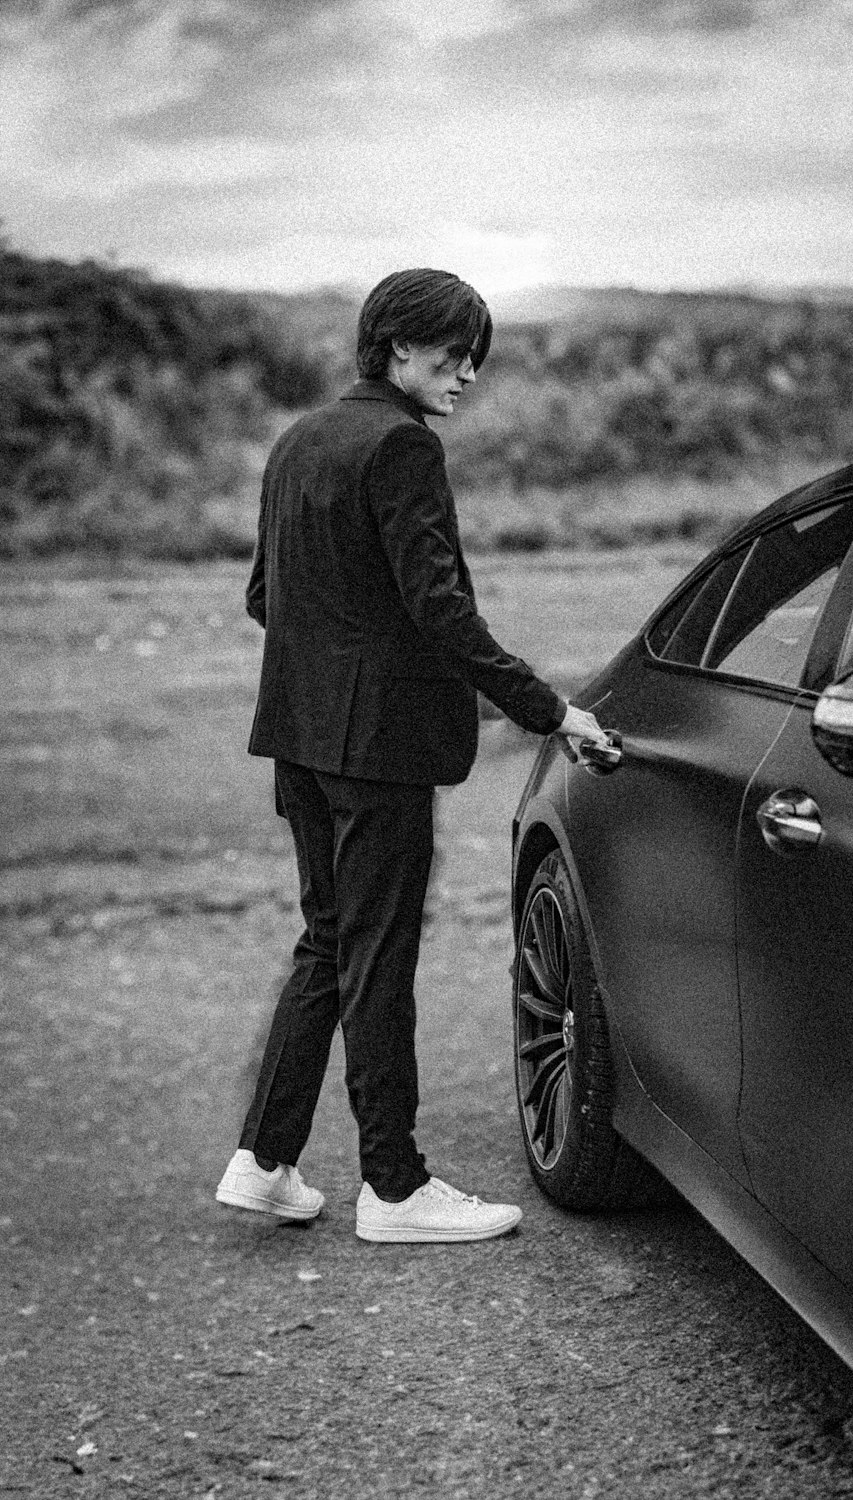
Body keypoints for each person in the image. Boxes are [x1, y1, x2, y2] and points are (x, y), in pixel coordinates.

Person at [215, 268, 608, 1244]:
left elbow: (267, 597)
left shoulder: (298, 438)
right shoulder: (401, 446)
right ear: (393, 349)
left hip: (299, 738)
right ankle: (393, 1186)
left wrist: (342, 645)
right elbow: (439, 611)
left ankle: (263, 1164)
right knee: (375, 958)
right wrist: (546, 708)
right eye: (449, 354)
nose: (466, 373)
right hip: (377, 748)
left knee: (329, 942)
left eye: (477, 357)